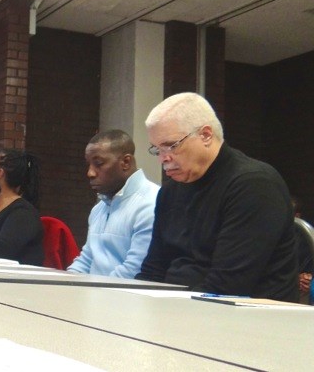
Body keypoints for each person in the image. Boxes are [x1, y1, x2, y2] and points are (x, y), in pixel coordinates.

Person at [135, 92, 298, 302]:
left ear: (205, 135)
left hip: (248, 319)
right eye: (157, 149)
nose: (163, 158)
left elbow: (228, 285)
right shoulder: (171, 191)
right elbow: (153, 269)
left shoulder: (254, 185)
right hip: (186, 308)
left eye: (171, 145)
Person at [67, 130, 159, 277]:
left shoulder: (152, 203)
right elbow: (86, 261)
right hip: (96, 294)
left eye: (98, 164)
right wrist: (66, 284)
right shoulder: (99, 209)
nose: (90, 173)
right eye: (89, 164)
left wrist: (88, 294)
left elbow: (134, 271)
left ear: (126, 162)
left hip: (126, 297)